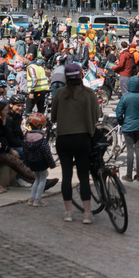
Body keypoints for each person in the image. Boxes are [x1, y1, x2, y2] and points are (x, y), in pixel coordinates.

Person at [51, 63, 102, 224]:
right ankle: (87, 213)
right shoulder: (89, 93)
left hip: (64, 138)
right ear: (81, 76)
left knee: (66, 176)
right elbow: (97, 115)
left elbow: (53, 117)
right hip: (83, 138)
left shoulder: (60, 93)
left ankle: (68, 212)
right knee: (83, 176)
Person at [115, 76, 139, 182]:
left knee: (130, 150)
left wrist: (122, 122)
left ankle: (129, 174)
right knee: (138, 149)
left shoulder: (125, 97)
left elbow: (119, 113)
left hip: (128, 127)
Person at [23, 112, 57, 207]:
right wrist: (51, 163)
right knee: (42, 180)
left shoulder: (26, 137)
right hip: (41, 162)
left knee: (36, 180)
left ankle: (31, 199)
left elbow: (25, 151)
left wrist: (27, 162)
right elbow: (46, 152)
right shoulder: (41, 138)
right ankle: (37, 200)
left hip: (31, 161)